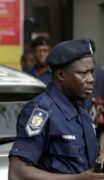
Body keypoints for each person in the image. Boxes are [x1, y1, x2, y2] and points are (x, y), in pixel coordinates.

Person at [8, 38, 104, 179]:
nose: (91, 79)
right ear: (60, 75)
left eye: (91, 72)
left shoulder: (82, 113)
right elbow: (18, 172)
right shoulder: (41, 112)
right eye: (83, 73)